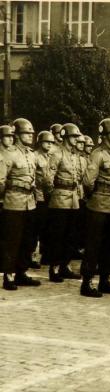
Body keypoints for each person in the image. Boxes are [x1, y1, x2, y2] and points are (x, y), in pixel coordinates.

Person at [79, 118, 110, 297]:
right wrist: (93, 196)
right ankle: (87, 282)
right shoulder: (98, 154)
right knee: (93, 245)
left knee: (109, 245)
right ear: (105, 135)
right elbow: (88, 181)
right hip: (98, 205)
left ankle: (105, 279)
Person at [0, 118, 40, 290]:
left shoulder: (31, 154)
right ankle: (8, 275)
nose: (30, 136)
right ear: (17, 135)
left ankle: (21, 272)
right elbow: (1, 180)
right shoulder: (8, 154)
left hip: (29, 203)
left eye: (31, 133)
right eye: (26, 133)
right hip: (13, 202)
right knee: (12, 240)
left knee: (27, 240)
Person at [43, 123, 83, 282]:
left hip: (73, 199)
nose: (76, 139)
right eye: (73, 137)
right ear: (66, 137)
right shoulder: (57, 154)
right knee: (58, 236)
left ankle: (65, 266)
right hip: (59, 199)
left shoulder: (74, 155)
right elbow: (48, 178)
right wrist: (52, 195)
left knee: (71, 236)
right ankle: (55, 268)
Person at [32, 131, 55, 268]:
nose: (49, 144)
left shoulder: (51, 157)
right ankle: (32, 256)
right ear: (40, 142)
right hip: (38, 195)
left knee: (48, 227)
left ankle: (46, 255)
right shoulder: (34, 156)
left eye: (51, 143)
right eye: (47, 142)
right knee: (35, 228)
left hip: (50, 196)